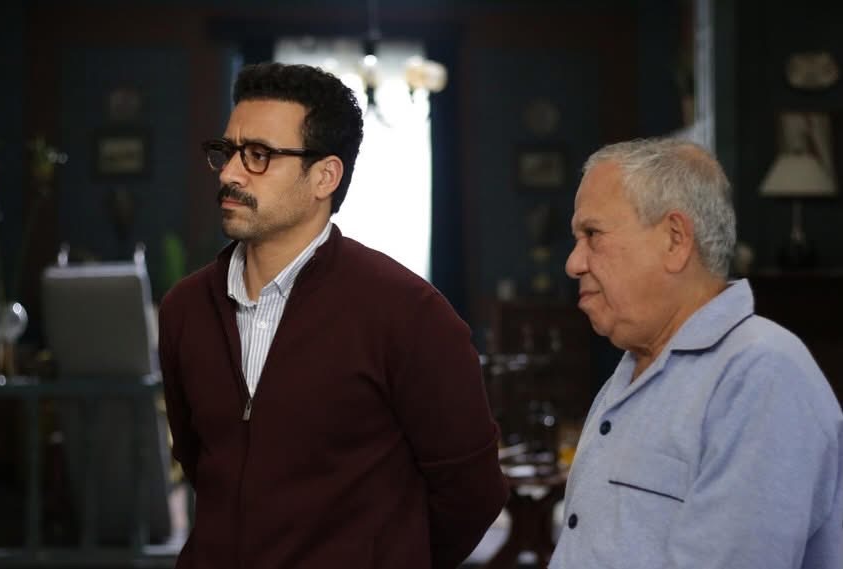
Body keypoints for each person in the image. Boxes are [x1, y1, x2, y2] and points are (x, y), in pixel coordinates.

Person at [158, 62, 508, 569]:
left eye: (258, 155)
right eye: (226, 151)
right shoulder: (184, 309)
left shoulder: (409, 314)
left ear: (325, 176)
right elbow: (201, 464)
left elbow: (473, 493)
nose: (230, 173)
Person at [548, 137, 843, 569]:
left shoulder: (761, 373)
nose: (573, 263)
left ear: (675, 240)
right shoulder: (632, 369)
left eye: (592, 235)